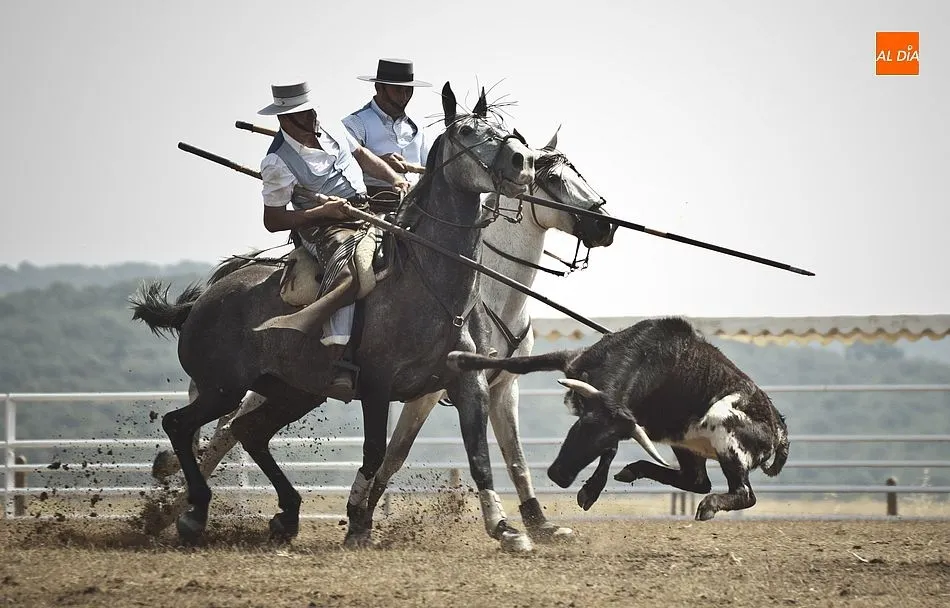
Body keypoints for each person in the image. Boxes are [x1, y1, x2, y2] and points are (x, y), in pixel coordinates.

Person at [254, 81, 410, 398]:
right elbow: (273, 220)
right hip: (322, 227)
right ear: (285, 119)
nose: (312, 117)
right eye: (303, 113)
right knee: (350, 271)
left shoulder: (331, 129)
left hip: (363, 210)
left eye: (311, 110)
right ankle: (338, 359)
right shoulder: (276, 161)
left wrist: (394, 178)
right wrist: (321, 212)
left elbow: (362, 156)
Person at [342, 58, 431, 204]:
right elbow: (344, 166)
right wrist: (381, 162)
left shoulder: (418, 129)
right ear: (379, 88)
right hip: (373, 205)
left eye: (408, 90)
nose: (404, 97)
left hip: (417, 207)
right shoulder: (355, 124)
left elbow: (430, 169)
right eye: (397, 90)